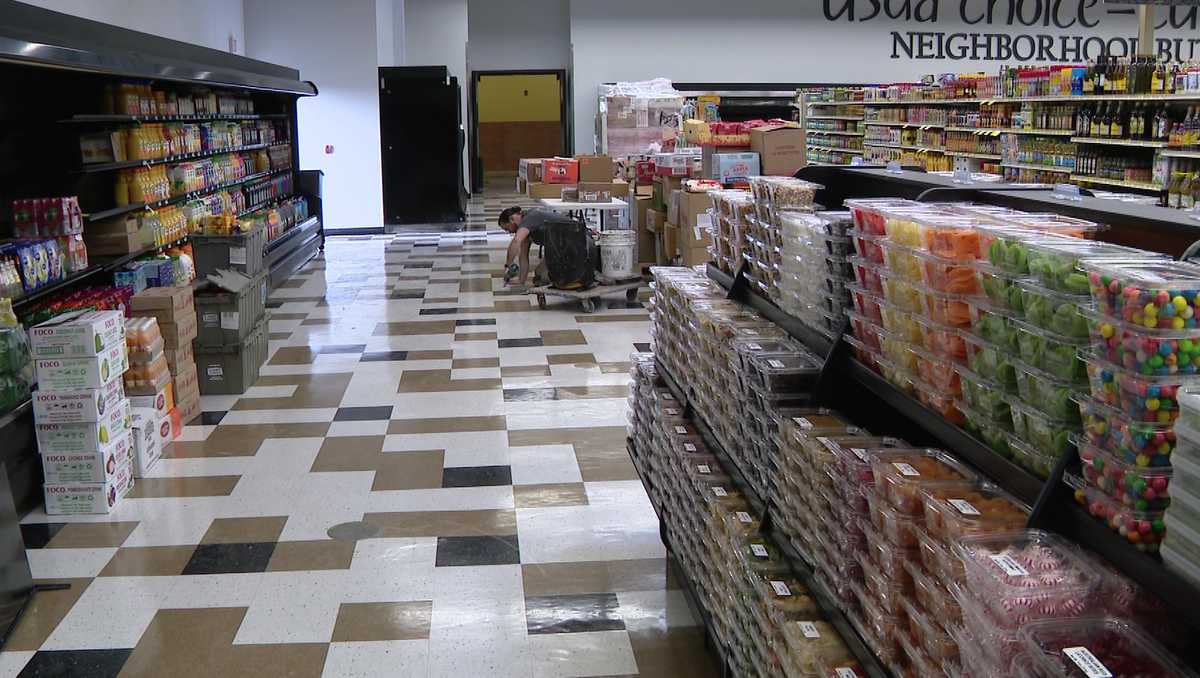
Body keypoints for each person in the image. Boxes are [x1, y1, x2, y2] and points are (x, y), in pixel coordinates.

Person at [498, 206, 554, 287]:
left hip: (571, 242)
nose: (509, 232)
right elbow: (523, 256)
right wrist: (521, 280)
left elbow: (516, 241)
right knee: (539, 274)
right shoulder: (526, 228)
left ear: (511, 219)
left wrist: (508, 265)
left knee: (542, 277)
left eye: (507, 228)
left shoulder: (529, 218)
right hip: (559, 248)